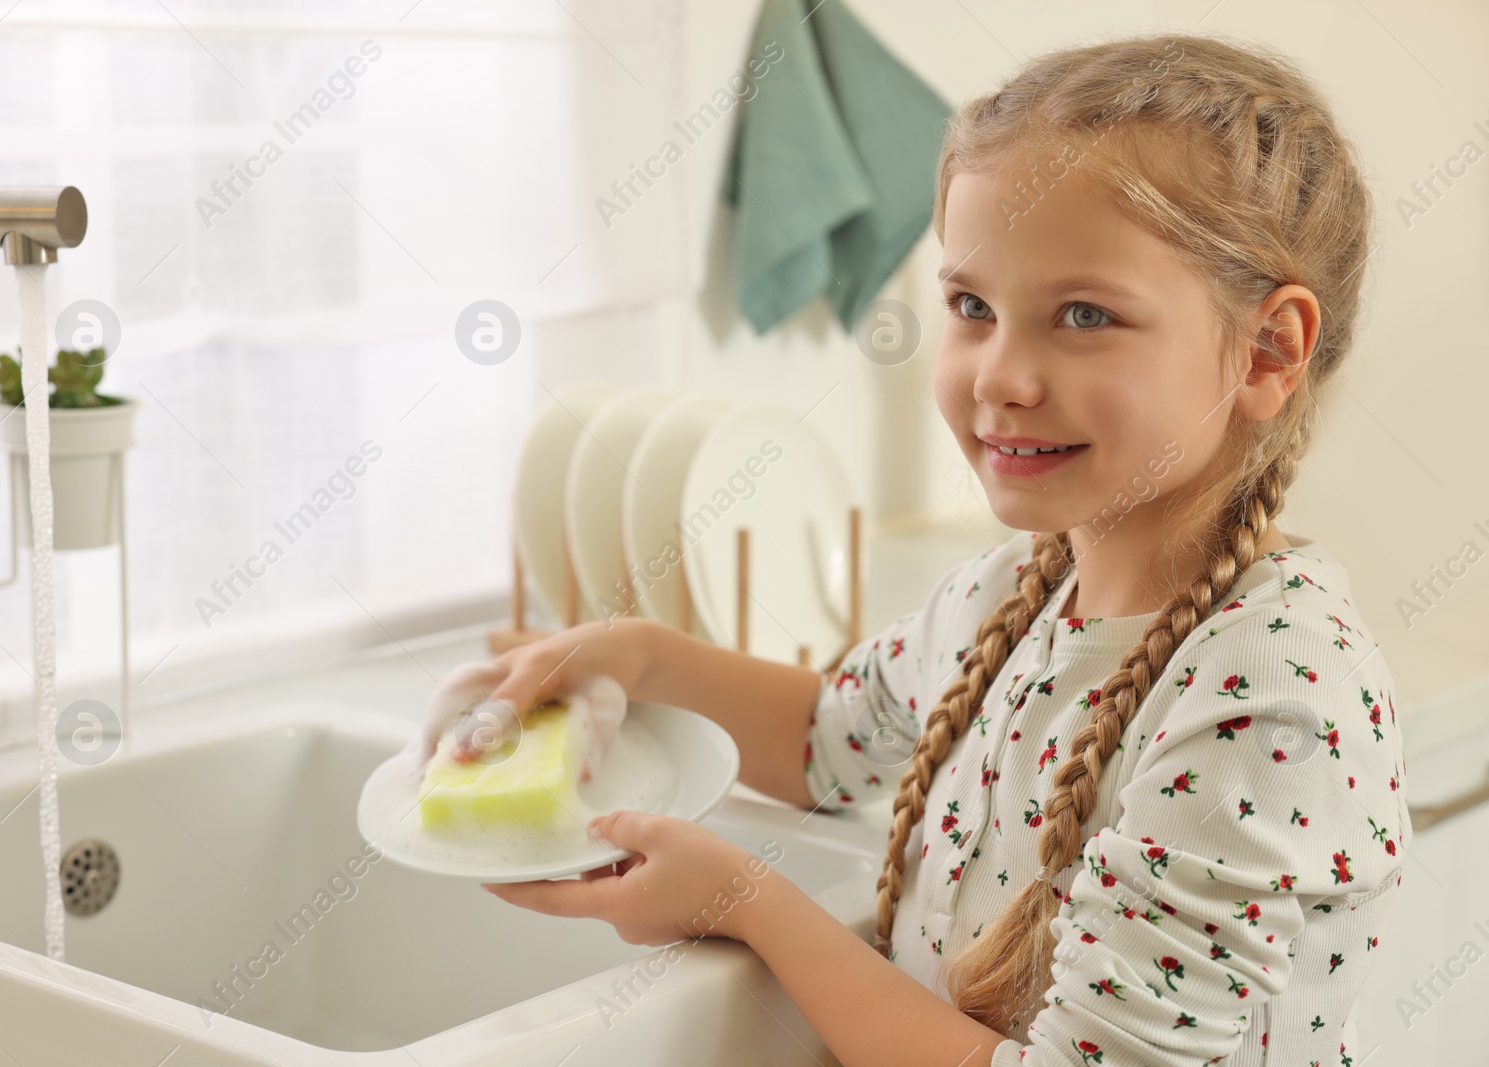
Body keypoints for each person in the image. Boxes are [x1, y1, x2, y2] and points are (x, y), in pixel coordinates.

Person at [478, 31, 1409, 1066]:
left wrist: (747, 899)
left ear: (1268, 349)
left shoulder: (1270, 689)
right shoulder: (1011, 590)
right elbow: (832, 740)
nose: (1000, 375)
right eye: (971, 305)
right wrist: (637, 655)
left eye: (1084, 314)